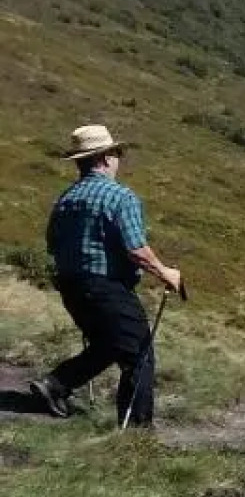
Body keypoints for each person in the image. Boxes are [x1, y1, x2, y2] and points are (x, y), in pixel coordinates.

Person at [29, 125, 185, 427]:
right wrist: (166, 273)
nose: (119, 158)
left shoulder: (66, 199)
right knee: (139, 352)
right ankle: (137, 434)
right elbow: (137, 249)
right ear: (105, 158)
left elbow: (52, 244)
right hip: (107, 288)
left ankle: (55, 385)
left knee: (109, 344)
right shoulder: (120, 197)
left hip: (71, 287)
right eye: (117, 152)